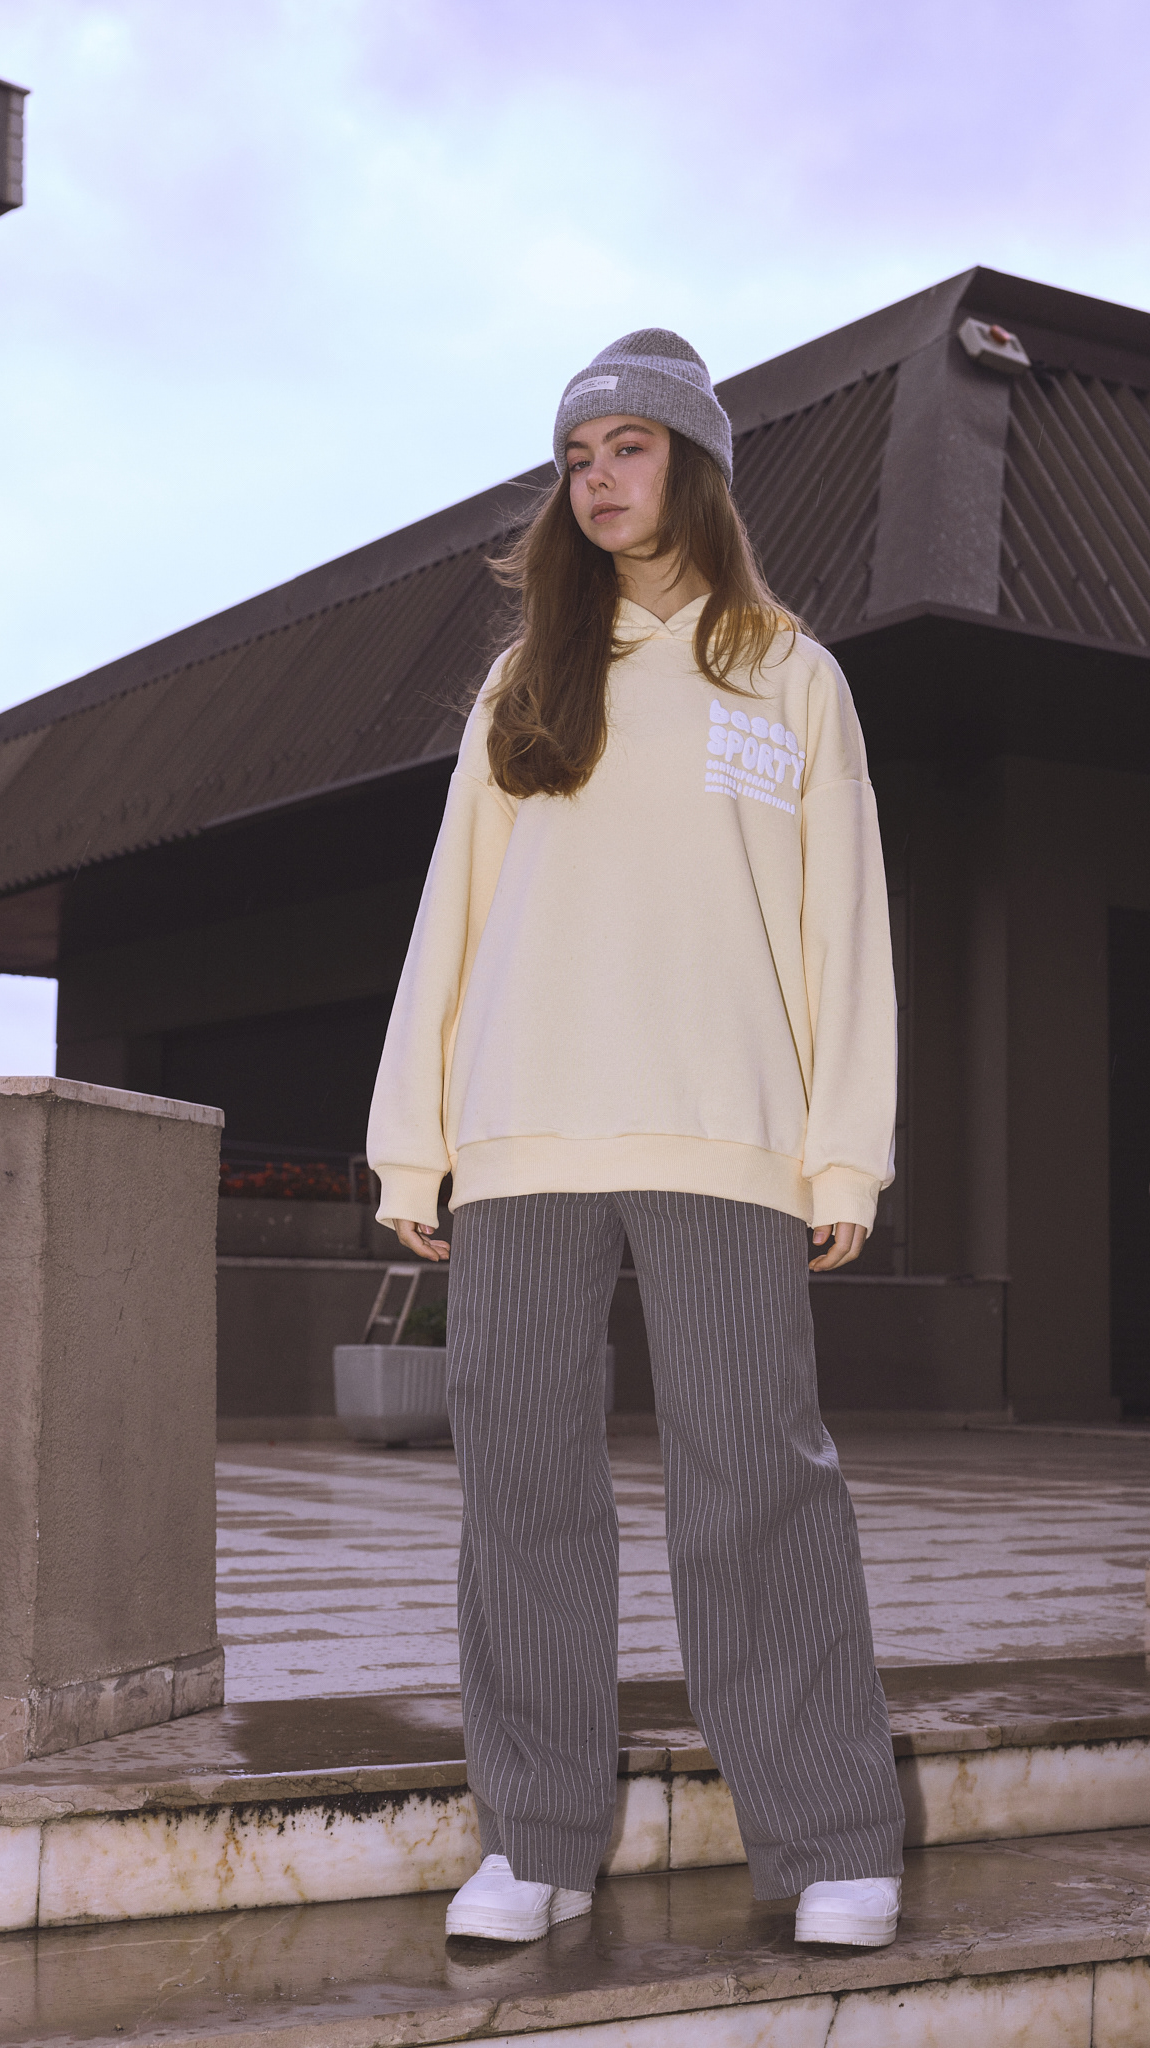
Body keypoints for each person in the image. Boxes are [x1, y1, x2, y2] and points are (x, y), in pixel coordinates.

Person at [367, 329, 905, 1949]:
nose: (598, 479)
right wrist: (412, 1143)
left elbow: (842, 931)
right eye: (576, 457)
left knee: (757, 1480)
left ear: (696, 466)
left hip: (725, 1135)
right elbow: (452, 914)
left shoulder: (789, 675)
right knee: (522, 1491)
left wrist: (842, 1153)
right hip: (519, 1135)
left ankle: (828, 1840)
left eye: (628, 447)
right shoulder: (522, 681)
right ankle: (534, 1840)